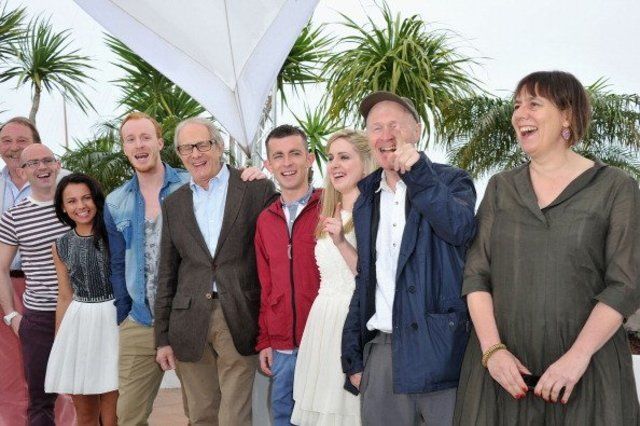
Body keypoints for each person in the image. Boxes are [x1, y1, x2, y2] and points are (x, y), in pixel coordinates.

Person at [453, 70, 640, 425]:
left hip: (586, 376)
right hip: (504, 375)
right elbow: (476, 274)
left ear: (567, 115)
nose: (519, 114)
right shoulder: (500, 188)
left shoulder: (616, 187)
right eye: (516, 105)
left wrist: (577, 358)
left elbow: (625, 285)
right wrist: (493, 351)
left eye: (534, 104)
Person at [341, 92, 477, 425]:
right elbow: (366, 280)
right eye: (376, 128)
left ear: (416, 130)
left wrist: (417, 174)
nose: (385, 135)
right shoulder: (366, 198)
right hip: (383, 354)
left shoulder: (452, 180)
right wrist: (353, 355)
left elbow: (460, 229)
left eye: (394, 125)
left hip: (442, 353)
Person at [154, 117, 277, 426]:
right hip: (189, 321)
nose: (195, 154)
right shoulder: (173, 204)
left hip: (239, 315)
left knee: (235, 417)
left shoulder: (254, 188)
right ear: (179, 155)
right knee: (201, 415)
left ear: (219, 146)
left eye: (203, 145)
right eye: (186, 148)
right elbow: (167, 273)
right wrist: (162, 338)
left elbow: (275, 252)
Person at [104, 111, 190, 426]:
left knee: (202, 412)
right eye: (131, 139)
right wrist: (124, 312)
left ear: (160, 142)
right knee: (128, 415)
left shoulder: (190, 184)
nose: (139, 144)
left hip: (188, 317)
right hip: (139, 320)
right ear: (124, 148)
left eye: (145, 137)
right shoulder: (116, 202)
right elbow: (116, 262)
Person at [291, 129, 375, 425]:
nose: (335, 165)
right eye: (330, 158)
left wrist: (341, 242)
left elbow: (370, 277)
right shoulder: (327, 211)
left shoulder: (374, 213)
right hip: (323, 322)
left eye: (344, 157)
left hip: (352, 322)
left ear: (365, 162)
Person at [0, 117, 75, 426]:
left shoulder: (73, 193)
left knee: (77, 386)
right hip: (21, 294)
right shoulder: (13, 213)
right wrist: (11, 314)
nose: (13, 147)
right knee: (16, 377)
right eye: (6, 140)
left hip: (73, 300)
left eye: (22, 140)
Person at [255, 124, 322, 426]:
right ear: (268, 165)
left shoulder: (330, 207)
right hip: (282, 347)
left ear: (309, 158)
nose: (287, 163)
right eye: (278, 156)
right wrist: (265, 340)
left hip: (322, 340)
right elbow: (265, 285)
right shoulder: (265, 220)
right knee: (284, 418)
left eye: (294, 153)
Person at [45, 173, 118, 426]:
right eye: (72, 201)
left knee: (113, 416)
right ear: (63, 207)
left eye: (86, 198)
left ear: (96, 199)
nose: (81, 206)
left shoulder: (115, 234)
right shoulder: (60, 245)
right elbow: (65, 296)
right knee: (85, 415)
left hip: (115, 321)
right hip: (79, 326)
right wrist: (60, 342)